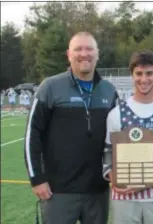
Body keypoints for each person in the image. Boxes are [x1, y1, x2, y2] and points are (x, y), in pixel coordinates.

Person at [24, 31, 118, 224]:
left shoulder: (109, 91)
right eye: (78, 49)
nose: (84, 54)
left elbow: (117, 137)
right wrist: (37, 179)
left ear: (97, 54)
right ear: (69, 54)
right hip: (58, 191)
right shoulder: (50, 87)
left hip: (97, 191)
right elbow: (31, 135)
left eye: (89, 48)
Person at [102, 50, 153, 224]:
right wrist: (112, 176)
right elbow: (108, 151)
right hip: (125, 195)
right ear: (132, 75)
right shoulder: (117, 113)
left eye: (149, 73)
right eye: (139, 73)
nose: (144, 79)